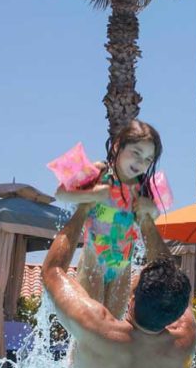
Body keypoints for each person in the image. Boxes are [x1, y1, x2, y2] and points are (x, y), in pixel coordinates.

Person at [41, 201, 196, 368]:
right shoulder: (185, 339)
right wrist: (146, 223)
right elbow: (172, 282)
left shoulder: (99, 331)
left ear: (132, 301)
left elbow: (53, 271)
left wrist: (83, 209)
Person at [55, 120, 165, 319]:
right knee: (91, 325)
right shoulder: (99, 172)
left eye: (148, 159)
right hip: (93, 260)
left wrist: (152, 209)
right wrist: (92, 194)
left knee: (113, 326)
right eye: (136, 153)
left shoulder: (143, 188)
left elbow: (152, 218)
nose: (141, 163)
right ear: (117, 146)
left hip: (123, 267)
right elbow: (61, 193)